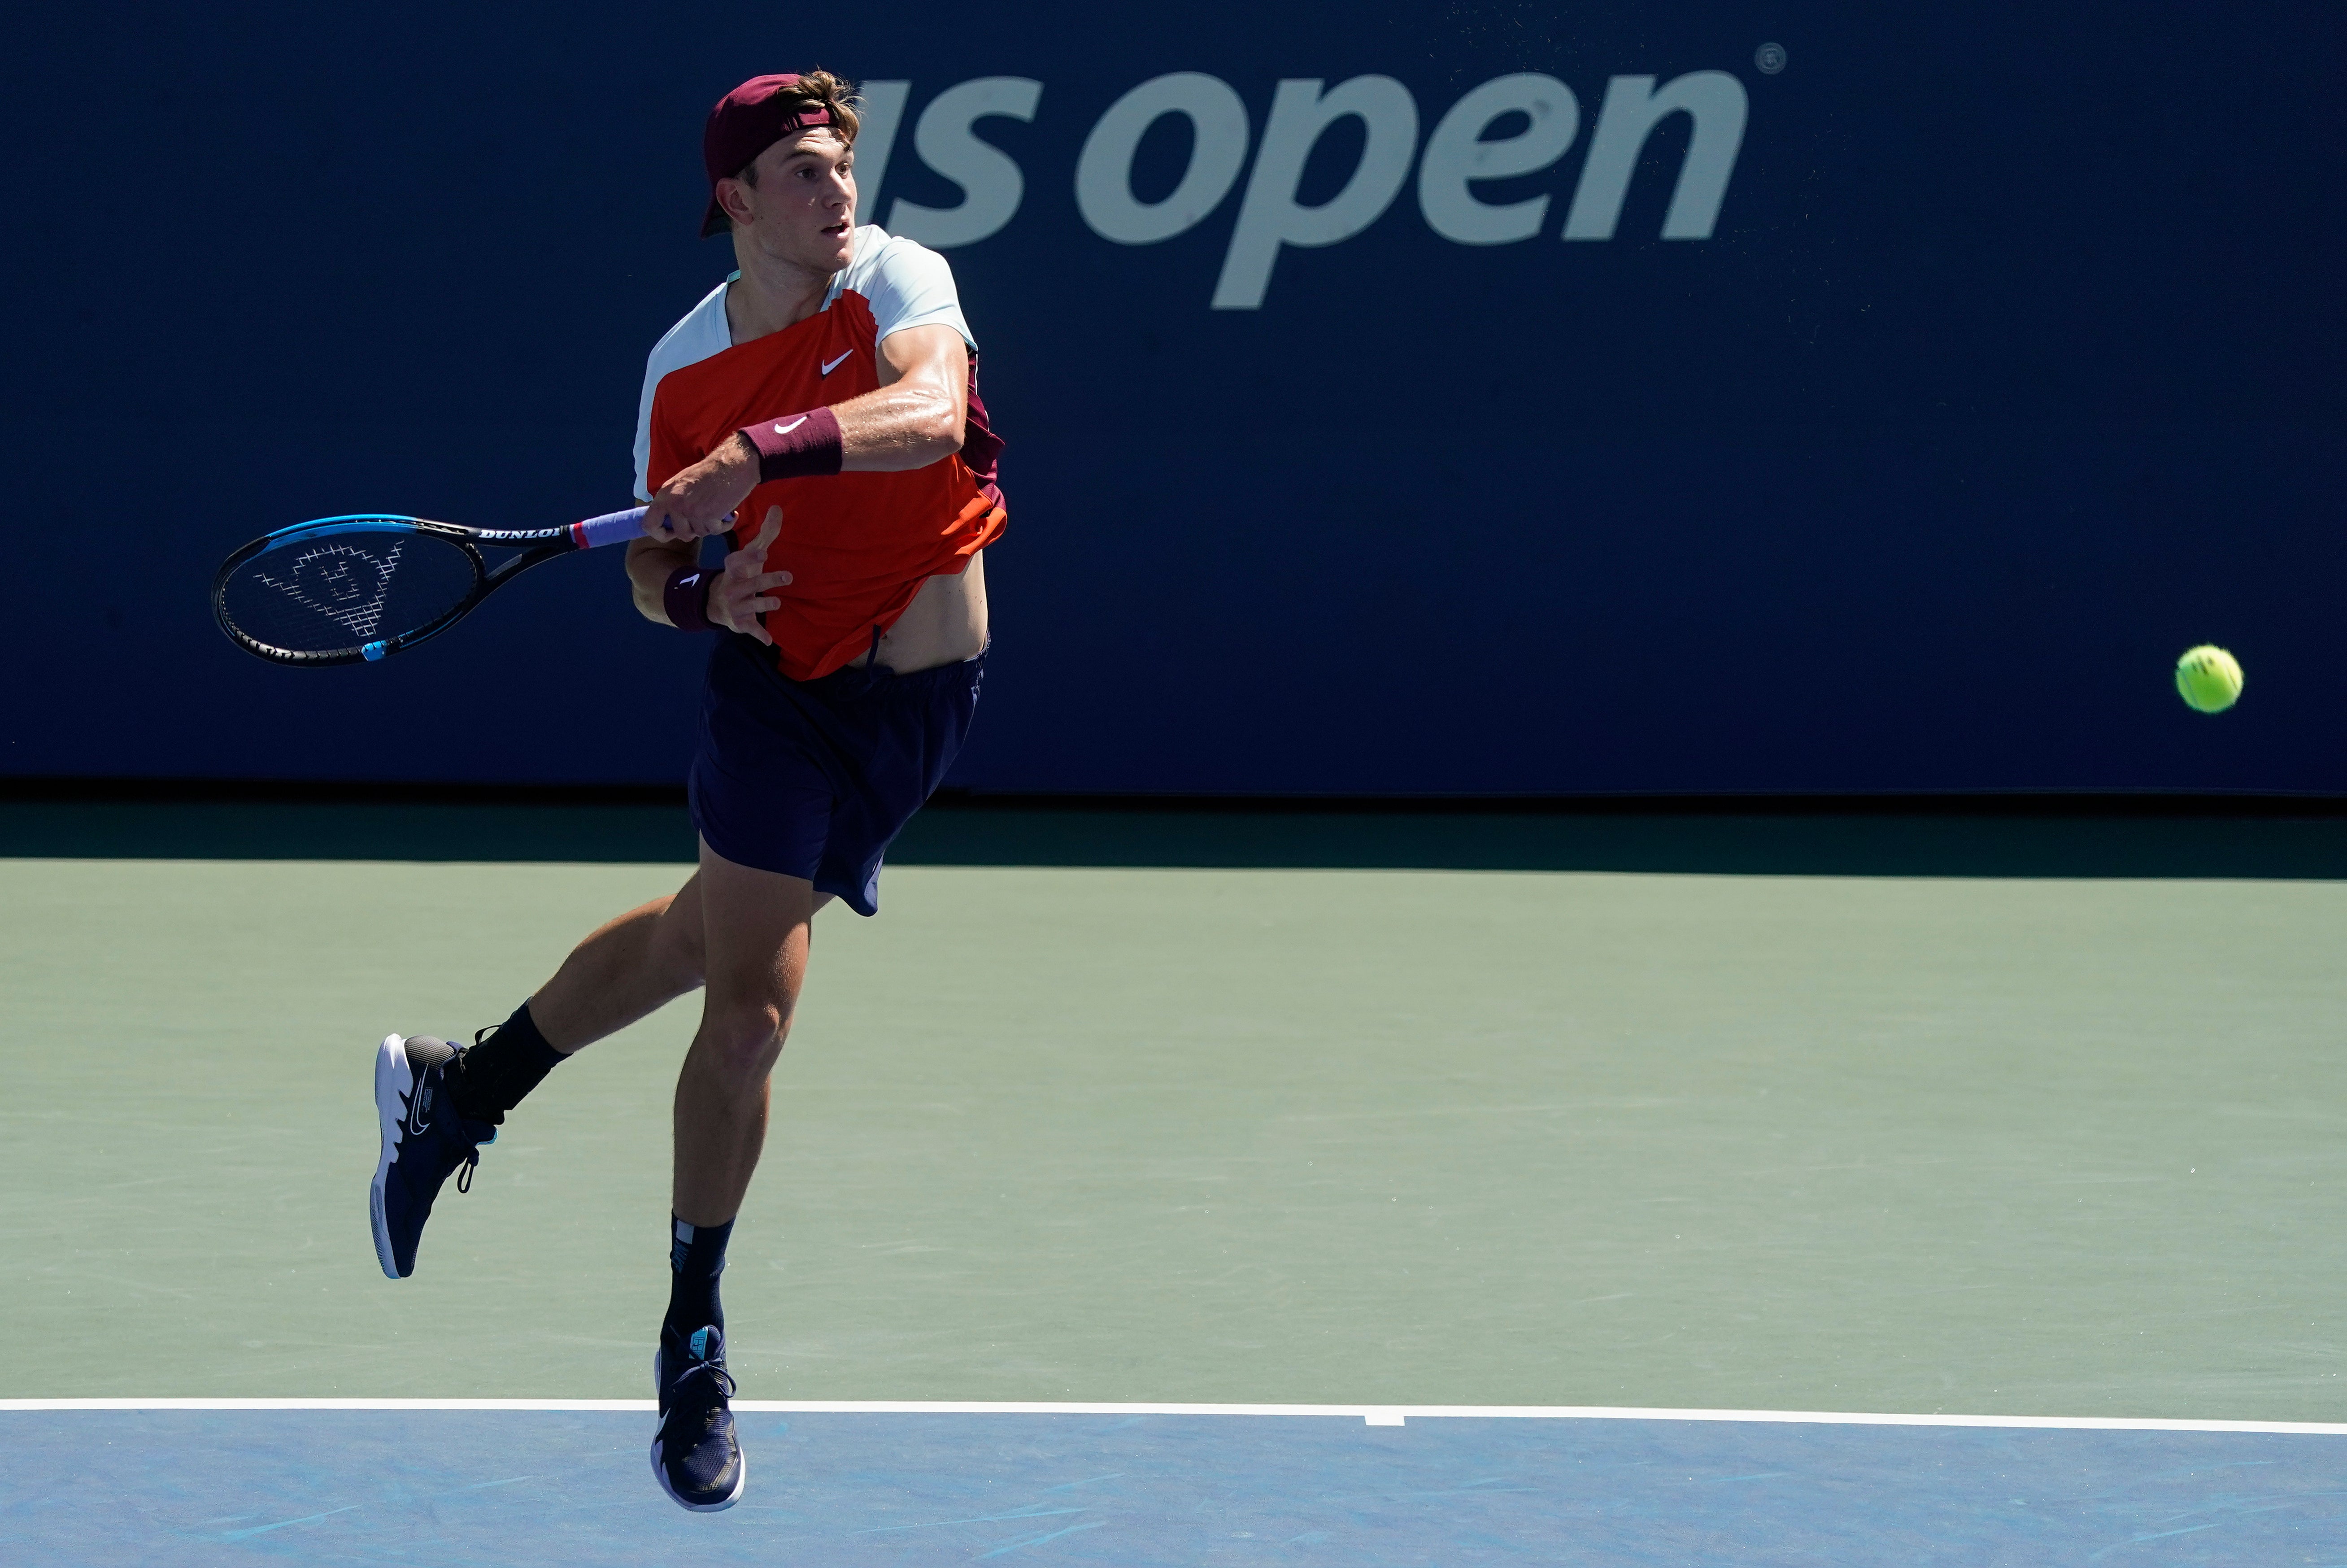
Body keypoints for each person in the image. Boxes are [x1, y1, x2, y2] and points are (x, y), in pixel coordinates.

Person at [362, 69, 1006, 1513]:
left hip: (919, 714)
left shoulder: (899, 276)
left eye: (841, 165)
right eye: (801, 172)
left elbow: (930, 409)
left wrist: (759, 455)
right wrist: (706, 603)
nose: (837, 193)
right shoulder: (680, 374)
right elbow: (656, 573)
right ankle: (694, 1344)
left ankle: (458, 1090)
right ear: (733, 198)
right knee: (747, 1018)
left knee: (691, 939)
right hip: (778, 701)